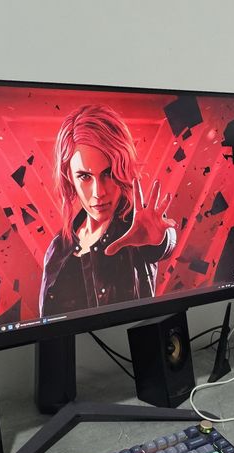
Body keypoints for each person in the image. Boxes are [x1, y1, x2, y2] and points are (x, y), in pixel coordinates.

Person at [39, 104, 177, 316]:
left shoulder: (133, 226)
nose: (99, 192)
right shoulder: (58, 248)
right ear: (69, 178)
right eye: (85, 176)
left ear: (123, 169)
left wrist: (160, 239)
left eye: (108, 173)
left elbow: (160, 243)